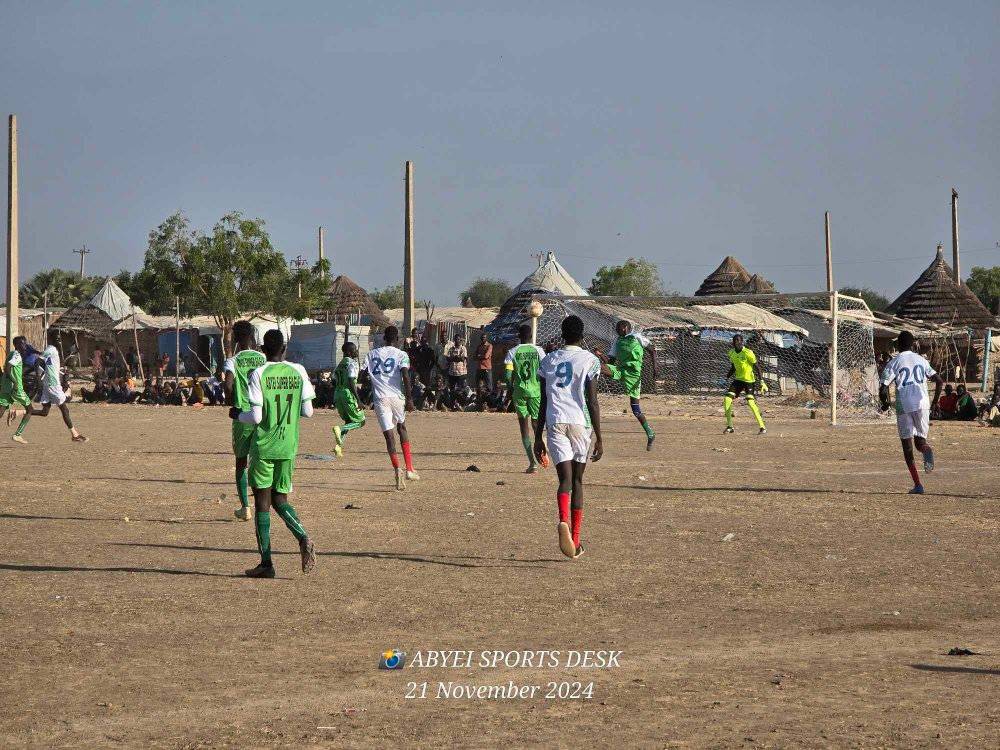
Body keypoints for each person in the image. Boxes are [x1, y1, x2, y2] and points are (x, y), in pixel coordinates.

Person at [231, 329, 316, 578]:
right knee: (280, 500)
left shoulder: (259, 373)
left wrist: (237, 414)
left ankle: (266, 563)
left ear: (263, 350)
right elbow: (308, 411)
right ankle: (303, 536)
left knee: (262, 503)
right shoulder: (298, 371)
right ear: (284, 348)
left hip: (265, 446)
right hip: (288, 446)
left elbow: (256, 416)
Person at [534, 315, 603, 559]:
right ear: (582, 335)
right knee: (577, 481)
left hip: (555, 421)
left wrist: (537, 437)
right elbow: (592, 401)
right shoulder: (590, 360)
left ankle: (562, 519)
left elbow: (543, 401)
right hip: (580, 423)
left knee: (564, 480)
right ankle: (576, 539)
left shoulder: (548, 360)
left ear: (562, 335)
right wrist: (600, 437)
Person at [879, 331, 943, 494]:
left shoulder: (894, 362)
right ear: (913, 344)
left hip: (904, 405)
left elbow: (883, 387)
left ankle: (918, 485)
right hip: (923, 404)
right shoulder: (922, 360)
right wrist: (935, 402)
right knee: (920, 442)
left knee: (907, 447)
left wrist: (885, 404)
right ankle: (926, 449)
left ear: (898, 345)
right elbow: (939, 381)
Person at [364, 325, 418, 490]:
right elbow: (405, 376)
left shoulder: (371, 354)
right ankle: (409, 469)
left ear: (383, 338)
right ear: (397, 339)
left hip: (380, 398)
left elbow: (363, 375)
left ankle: (397, 469)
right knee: (402, 428)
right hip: (396, 397)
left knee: (389, 436)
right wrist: (410, 399)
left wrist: (374, 381)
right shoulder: (401, 354)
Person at [223, 321, 267, 522]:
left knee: (241, 462)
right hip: (263, 414)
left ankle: (245, 507)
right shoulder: (263, 358)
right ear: (252, 336)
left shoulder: (233, 360)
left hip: (242, 415)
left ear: (235, 338)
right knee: (261, 461)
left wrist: (231, 401)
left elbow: (228, 385)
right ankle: (263, 504)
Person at [12, 344, 87, 443]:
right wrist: (38, 378)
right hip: (53, 385)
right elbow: (38, 361)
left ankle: (19, 412)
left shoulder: (55, 355)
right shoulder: (52, 349)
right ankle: (75, 435)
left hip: (48, 386)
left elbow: (47, 365)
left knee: (45, 412)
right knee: (64, 409)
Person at [601, 319, 655, 450]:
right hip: (621, 371)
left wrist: (655, 368)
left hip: (634, 375)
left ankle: (650, 433)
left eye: (617, 328)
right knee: (599, 367)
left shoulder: (636, 337)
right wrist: (600, 355)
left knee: (635, 409)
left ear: (624, 327)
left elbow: (652, 350)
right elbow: (611, 362)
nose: (616, 330)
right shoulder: (617, 341)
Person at [504, 323, 549, 472]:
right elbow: (545, 371)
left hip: (520, 392)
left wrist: (511, 388)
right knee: (537, 425)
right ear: (531, 336)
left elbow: (508, 376)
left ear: (519, 336)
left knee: (524, 428)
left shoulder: (512, 352)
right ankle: (542, 451)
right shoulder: (539, 351)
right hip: (536, 392)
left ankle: (532, 464)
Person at [723, 334, 767, 435]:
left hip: (749, 381)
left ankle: (762, 427)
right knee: (727, 399)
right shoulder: (731, 353)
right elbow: (733, 367)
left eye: (739, 340)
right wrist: (726, 377)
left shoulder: (748, 352)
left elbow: (757, 367)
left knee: (750, 403)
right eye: (735, 340)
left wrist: (762, 381)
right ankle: (730, 426)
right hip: (738, 380)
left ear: (742, 342)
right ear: (733, 342)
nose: (737, 342)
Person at [332, 342, 366, 457]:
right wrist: (358, 400)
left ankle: (338, 447)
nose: (356, 352)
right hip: (348, 395)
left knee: (348, 421)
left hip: (338, 394)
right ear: (349, 352)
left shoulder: (339, 365)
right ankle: (340, 428)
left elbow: (333, 380)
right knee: (360, 421)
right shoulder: (352, 363)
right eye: (354, 350)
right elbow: (351, 381)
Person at [0, 336, 32, 433]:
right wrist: (15, 382)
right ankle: (18, 434)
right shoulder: (17, 355)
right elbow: (8, 368)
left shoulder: (11, 353)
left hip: (6, 387)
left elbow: (9, 369)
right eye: (22, 343)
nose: (25, 345)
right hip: (15, 387)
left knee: (1, 411)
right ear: (16, 345)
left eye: (25, 343)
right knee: (30, 409)